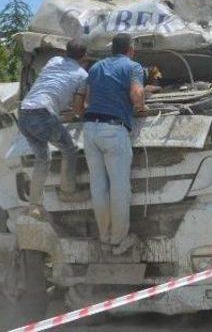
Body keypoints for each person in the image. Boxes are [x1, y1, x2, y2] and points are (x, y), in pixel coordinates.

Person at [83, 33, 146, 256]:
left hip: (89, 128)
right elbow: (137, 95)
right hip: (113, 129)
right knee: (119, 188)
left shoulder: (96, 67)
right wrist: (139, 107)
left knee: (98, 186)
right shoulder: (133, 66)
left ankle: (104, 237)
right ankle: (119, 239)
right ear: (131, 49)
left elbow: (89, 98)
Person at [18, 38, 88, 215]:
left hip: (25, 112)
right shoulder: (82, 75)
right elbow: (78, 108)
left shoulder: (53, 61)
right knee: (69, 149)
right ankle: (67, 192)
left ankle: (34, 205)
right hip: (43, 114)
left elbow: (51, 83)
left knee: (43, 158)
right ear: (84, 57)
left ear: (65, 52)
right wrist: (86, 116)